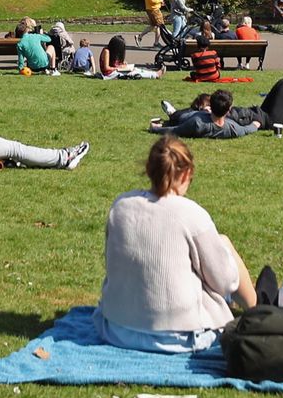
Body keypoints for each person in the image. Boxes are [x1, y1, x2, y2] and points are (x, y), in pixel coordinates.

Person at [94, 137, 257, 352]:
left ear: (148, 169)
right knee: (223, 243)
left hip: (117, 329)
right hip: (181, 337)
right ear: (186, 174)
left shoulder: (121, 206)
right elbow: (225, 283)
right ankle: (259, 313)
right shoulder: (192, 215)